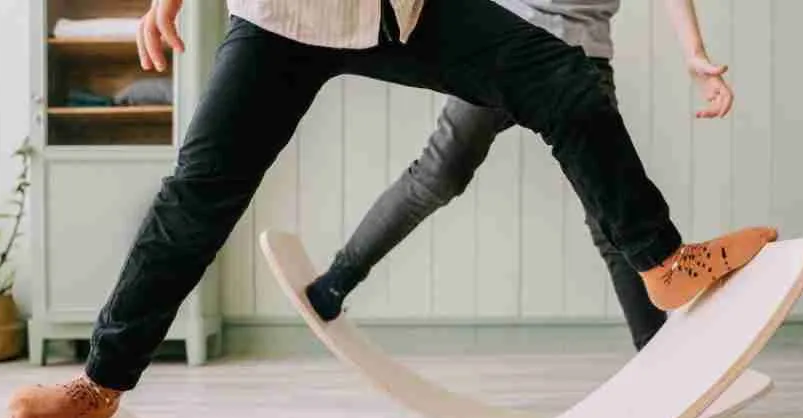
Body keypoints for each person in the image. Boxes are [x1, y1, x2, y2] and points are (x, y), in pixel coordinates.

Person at [7, 0, 776, 418]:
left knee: (564, 83)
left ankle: (663, 264)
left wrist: (694, 47)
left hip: (399, 9)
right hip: (282, 16)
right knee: (200, 194)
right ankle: (102, 382)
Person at [306, 0, 737, 352]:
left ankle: (658, 357)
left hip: (578, 58)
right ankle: (337, 280)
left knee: (613, 217)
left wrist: (694, 51)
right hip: (507, 49)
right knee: (438, 173)